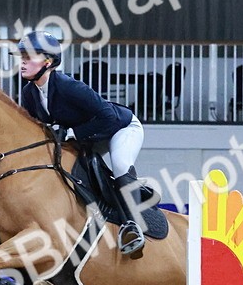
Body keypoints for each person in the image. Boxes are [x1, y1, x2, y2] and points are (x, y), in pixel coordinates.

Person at [16, 30, 150, 255]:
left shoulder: (69, 86)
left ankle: (133, 226)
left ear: (48, 62)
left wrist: (72, 133)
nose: (23, 62)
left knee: (119, 165)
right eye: (22, 57)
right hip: (89, 136)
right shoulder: (29, 93)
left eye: (29, 57)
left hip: (120, 127)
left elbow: (107, 115)